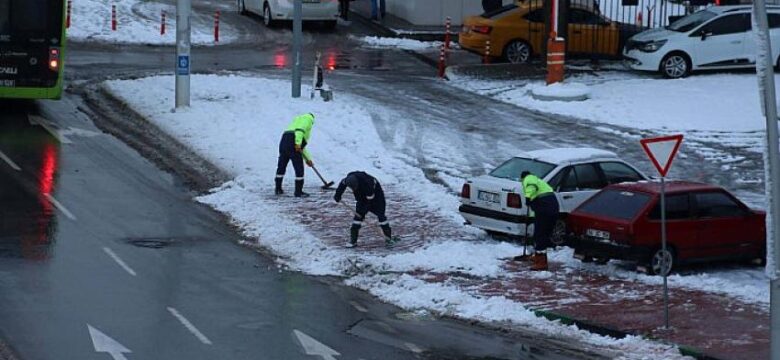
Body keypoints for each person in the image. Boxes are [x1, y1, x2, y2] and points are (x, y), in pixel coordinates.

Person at [333, 171, 392, 248]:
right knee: (358, 218)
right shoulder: (347, 180)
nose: (353, 189)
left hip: (376, 195)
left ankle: (388, 238)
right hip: (361, 196)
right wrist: (337, 195)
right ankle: (353, 241)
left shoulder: (368, 184)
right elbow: (342, 185)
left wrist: (362, 211)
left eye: (354, 188)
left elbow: (369, 200)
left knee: (380, 214)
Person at [518, 171, 559, 271]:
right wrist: (532, 219)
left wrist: (527, 197)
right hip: (549, 208)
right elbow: (535, 208)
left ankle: (542, 263)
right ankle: (538, 257)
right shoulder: (540, 185)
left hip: (545, 207)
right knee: (540, 234)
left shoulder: (529, 178)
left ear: (523, 178)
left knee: (540, 235)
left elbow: (531, 186)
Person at [275, 113, 315, 198]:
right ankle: (298, 192)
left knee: (282, 165)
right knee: (299, 168)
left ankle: (278, 189)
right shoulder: (308, 119)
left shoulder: (296, 121)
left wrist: (308, 159)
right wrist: (297, 143)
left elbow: (301, 148)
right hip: (293, 141)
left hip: (284, 140)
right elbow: (299, 131)